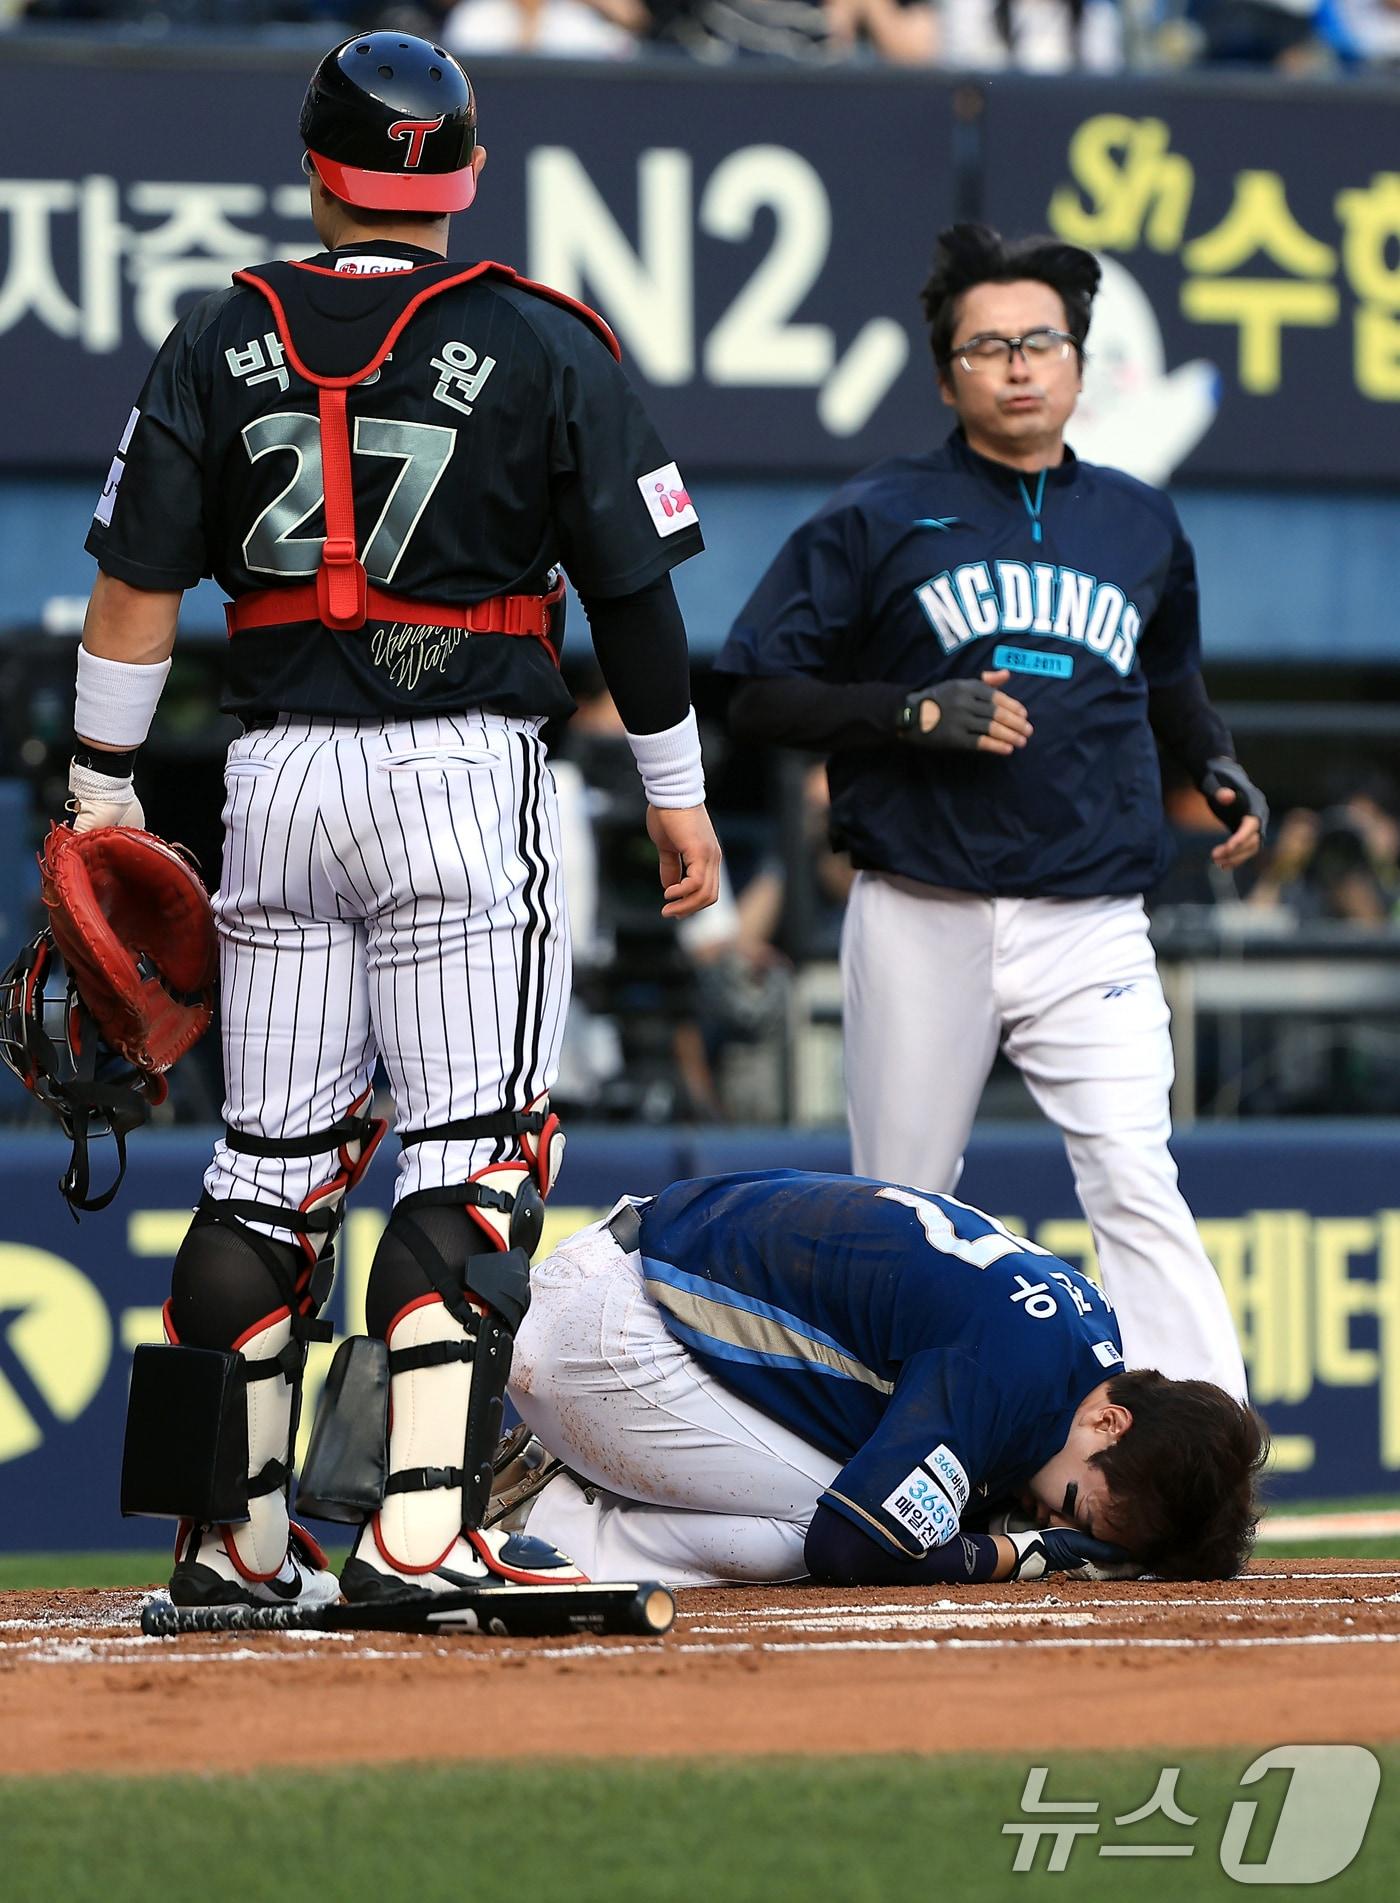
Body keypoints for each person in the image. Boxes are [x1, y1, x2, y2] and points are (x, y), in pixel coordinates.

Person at [76, 32, 720, 1610]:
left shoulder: (216, 334)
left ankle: (228, 1544)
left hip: (276, 772)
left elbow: (134, 593)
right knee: (476, 1149)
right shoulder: (545, 338)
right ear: (467, 175)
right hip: (461, 772)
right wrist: (677, 798)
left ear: (314, 168)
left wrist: (100, 791)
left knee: (266, 1166)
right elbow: (633, 601)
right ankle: (419, 1531)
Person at [716, 224, 1268, 1402]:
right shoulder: (874, 515)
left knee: (1132, 1175)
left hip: (1089, 917)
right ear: (944, 372)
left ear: (1077, 360)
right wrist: (909, 713)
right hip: (922, 904)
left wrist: (1212, 760)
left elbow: (1164, 677)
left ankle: (1204, 1455)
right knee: (901, 1202)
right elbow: (753, 686)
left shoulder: (1137, 520)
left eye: (1040, 341)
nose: (1017, 365)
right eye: (986, 346)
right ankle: (876, 1430)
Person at [499, 1170, 1268, 1587]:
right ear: (1112, 1423)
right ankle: (554, 1527)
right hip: (606, 1333)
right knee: (835, 1521)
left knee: (904, 1497)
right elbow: (850, 1548)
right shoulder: (1017, 1373)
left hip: (630, 1282)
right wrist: (1033, 1554)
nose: (1054, 1519)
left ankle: (570, 1476)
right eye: (1075, 1507)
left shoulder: (1084, 1342)